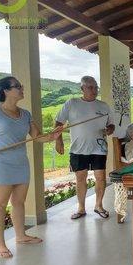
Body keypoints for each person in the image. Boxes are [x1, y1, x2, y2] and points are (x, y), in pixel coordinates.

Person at [0, 77, 62, 258]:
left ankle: (20, 236)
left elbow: (37, 137)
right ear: (6, 91)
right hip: (0, 165)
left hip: (20, 164)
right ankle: (0, 244)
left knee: (19, 203)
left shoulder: (25, 114)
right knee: (0, 205)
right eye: (18, 86)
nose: (22, 89)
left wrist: (52, 137)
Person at [55, 76, 115, 220]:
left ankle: (99, 205)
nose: (94, 90)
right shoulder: (72, 103)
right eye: (90, 87)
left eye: (95, 87)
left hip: (99, 148)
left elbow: (111, 125)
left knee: (100, 177)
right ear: (82, 89)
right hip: (78, 149)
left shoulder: (104, 106)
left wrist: (109, 129)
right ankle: (81, 208)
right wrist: (59, 141)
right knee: (80, 178)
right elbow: (58, 123)